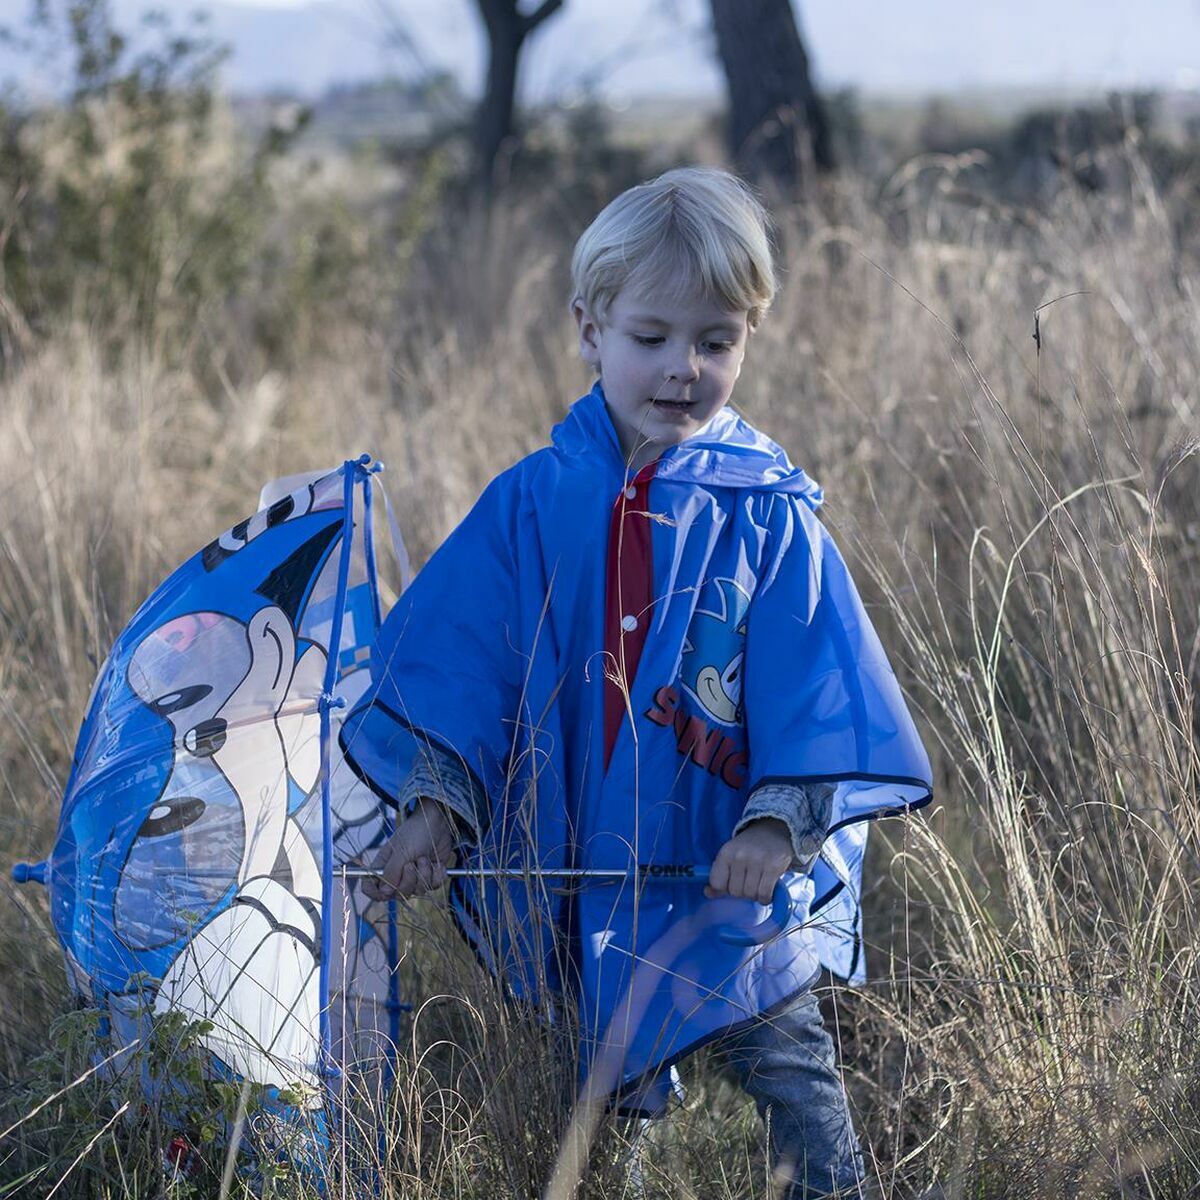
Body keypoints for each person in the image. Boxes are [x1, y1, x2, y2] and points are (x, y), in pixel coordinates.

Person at [340, 166, 932, 1199]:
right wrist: (436, 809)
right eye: (651, 337)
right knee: (603, 1113)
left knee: (795, 1082)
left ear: (750, 334)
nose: (682, 368)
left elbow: (815, 681)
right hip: (594, 884)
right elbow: (468, 666)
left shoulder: (768, 513)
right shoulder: (532, 504)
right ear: (588, 328)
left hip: (730, 889)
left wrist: (775, 825)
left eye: (716, 340)